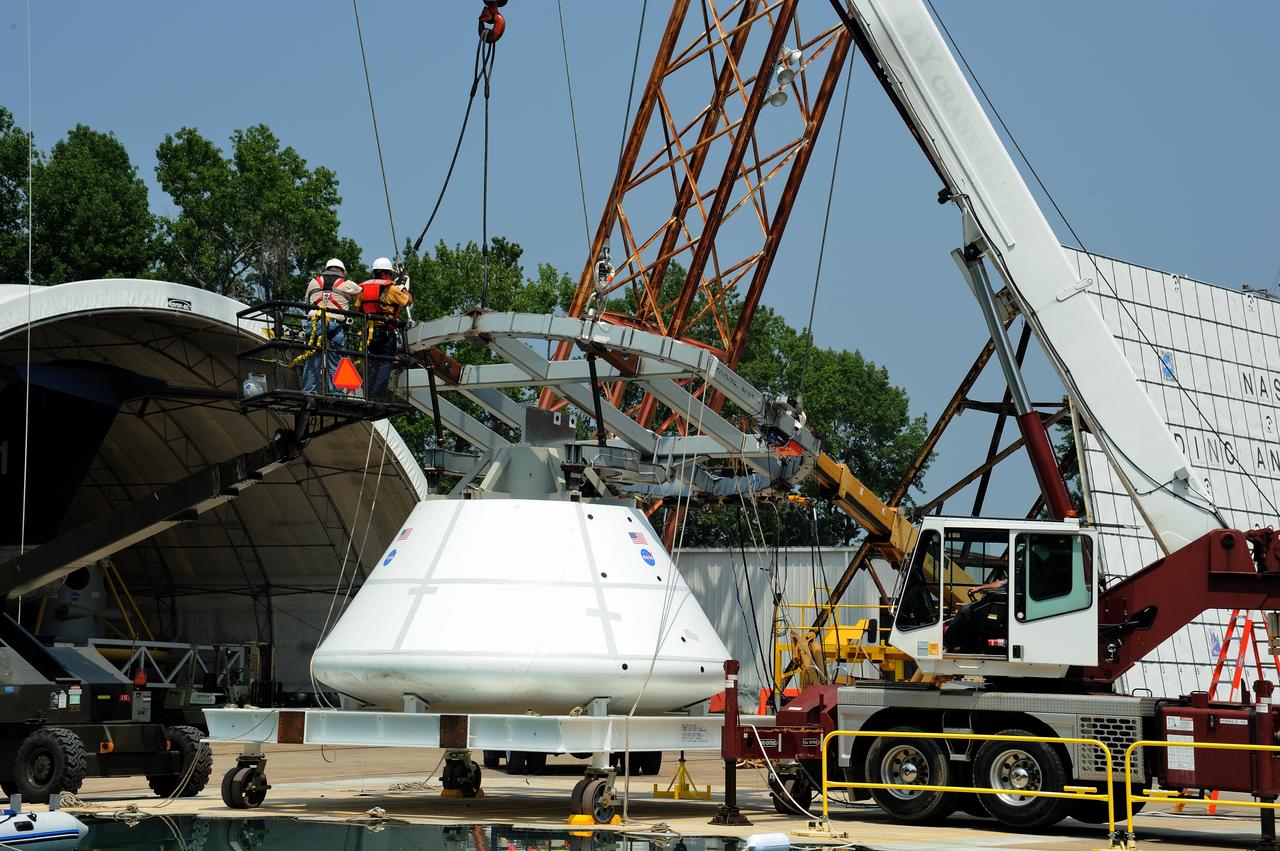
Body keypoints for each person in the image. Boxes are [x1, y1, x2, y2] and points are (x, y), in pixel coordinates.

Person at [301, 259, 363, 394]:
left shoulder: (313, 282)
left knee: (312, 359)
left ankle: (308, 392)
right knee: (336, 361)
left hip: (314, 324)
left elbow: (306, 305)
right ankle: (336, 393)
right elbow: (364, 296)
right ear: (341, 271)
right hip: (336, 326)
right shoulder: (347, 284)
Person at [359, 257, 412, 399]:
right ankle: (376, 397)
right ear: (384, 274)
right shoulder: (392, 290)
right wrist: (404, 288)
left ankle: (368, 394)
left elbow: (358, 307)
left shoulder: (363, 289)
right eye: (391, 274)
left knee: (374, 364)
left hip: (369, 333)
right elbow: (408, 301)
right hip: (386, 332)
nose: (392, 277)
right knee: (385, 364)